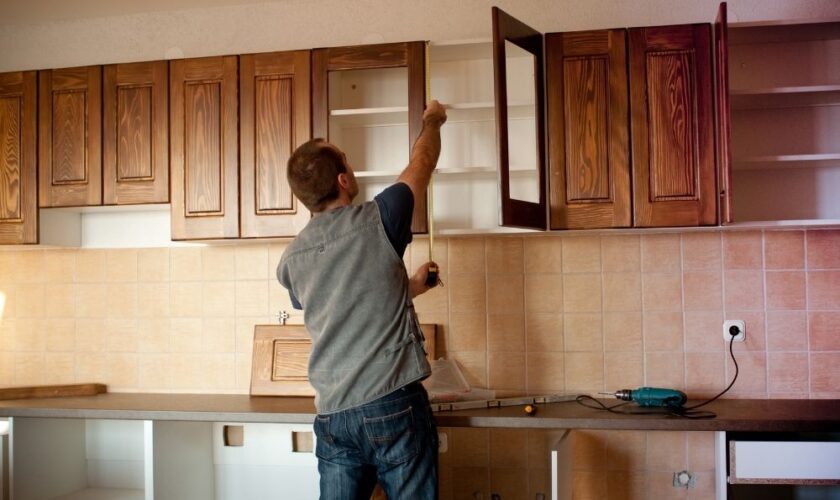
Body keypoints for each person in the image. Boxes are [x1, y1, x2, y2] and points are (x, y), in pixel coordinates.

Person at [277, 100, 448, 499]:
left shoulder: (291, 261)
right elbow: (422, 162)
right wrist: (433, 121)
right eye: (349, 165)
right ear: (343, 180)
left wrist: (412, 287)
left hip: (334, 416)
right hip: (393, 405)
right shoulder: (382, 218)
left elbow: (341, 300)